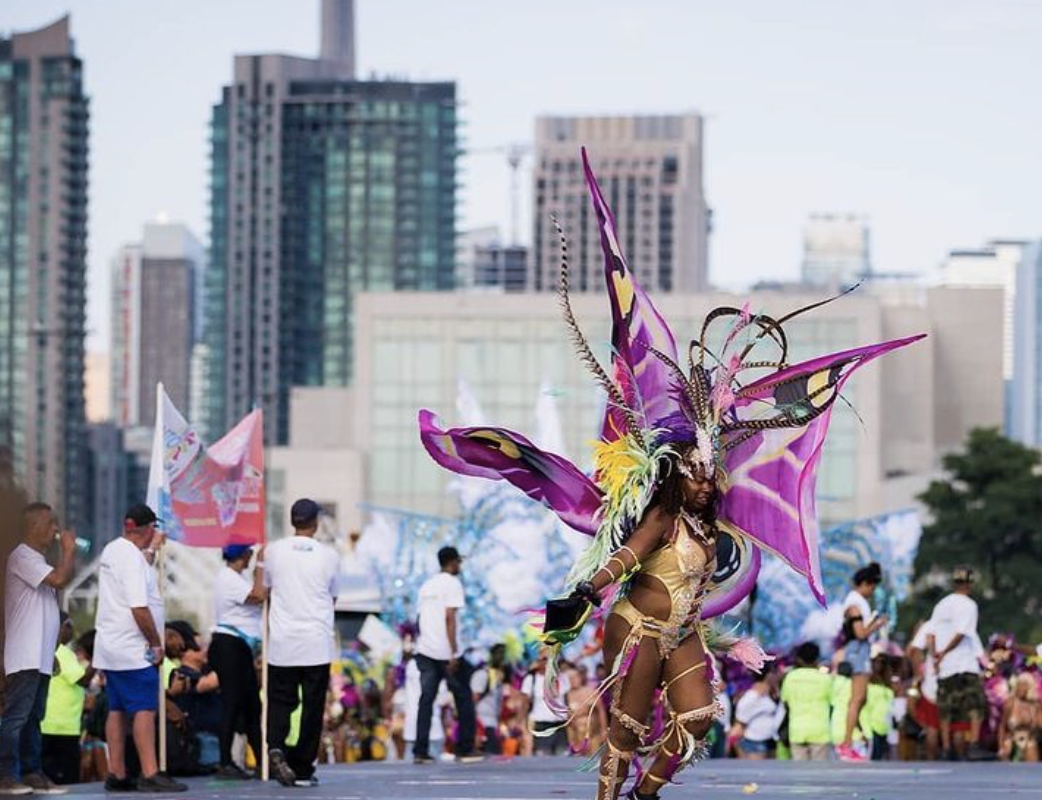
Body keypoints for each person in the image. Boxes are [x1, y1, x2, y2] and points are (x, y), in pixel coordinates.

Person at [417, 153, 921, 799]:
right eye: (698, 473)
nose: (709, 481)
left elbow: (707, 574)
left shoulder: (712, 524)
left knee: (698, 719)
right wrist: (583, 595)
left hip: (683, 629)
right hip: (635, 624)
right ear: (677, 474)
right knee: (625, 726)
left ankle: (643, 794)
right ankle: (610, 794)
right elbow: (628, 555)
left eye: (713, 474)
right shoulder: (662, 511)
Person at [93, 504, 186, 792]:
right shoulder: (132, 558)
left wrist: (151, 552)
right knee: (145, 709)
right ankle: (149, 772)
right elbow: (138, 607)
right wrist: (156, 643)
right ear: (147, 529)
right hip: (133, 648)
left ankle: (117, 773)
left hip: (110, 645)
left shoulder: (113, 550)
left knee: (117, 710)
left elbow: (136, 572)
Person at [1, 503, 76, 796]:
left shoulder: (40, 563)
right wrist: (68, 551)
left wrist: (53, 651)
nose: (56, 530)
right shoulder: (21, 557)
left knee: (34, 718)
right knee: (16, 717)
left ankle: (32, 773)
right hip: (24, 655)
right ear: (33, 526)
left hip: (40, 656)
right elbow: (60, 578)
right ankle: (6, 775)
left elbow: (46, 608)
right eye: (51, 523)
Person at [264, 498, 339, 787]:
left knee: (280, 701)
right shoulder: (329, 555)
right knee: (311, 706)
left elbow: (266, 589)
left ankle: (276, 747)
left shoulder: (273, 551)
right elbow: (332, 598)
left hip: (283, 641)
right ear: (315, 522)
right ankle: (303, 767)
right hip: (316, 643)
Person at [412, 546, 481, 764]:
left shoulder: (427, 585)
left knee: (426, 700)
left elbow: (419, 618)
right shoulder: (452, 583)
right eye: (458, 562)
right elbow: (450, 617)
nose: (460, 566)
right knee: (463, 698)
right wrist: (452, 652)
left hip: (425, 650)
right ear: (452, 563)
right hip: (445, 651)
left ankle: (420, 751)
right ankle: (465, 748)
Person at [208, 544, 265, 779]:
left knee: (252, 704)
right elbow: (257, 595)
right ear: (245, 554)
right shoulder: (228, 578)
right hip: (229, 644)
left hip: (241, 647)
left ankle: (262, 761)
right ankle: (225, 760)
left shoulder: (237, 577)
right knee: (232, 703)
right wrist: (262, 565)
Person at [929, 566, 990, 761]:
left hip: (945, 666)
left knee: (946, 709)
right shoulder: (969, 605)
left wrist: (936, 656)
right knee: (975, 706)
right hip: (964, 663)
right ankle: (973, 744)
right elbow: (963, 633)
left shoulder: (942, 604)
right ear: (970, 584)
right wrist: (945, 652)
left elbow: (930, 634)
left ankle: (946, 747)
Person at [836, 562, 887, 763]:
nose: (873, 591)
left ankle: (856, 736)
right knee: (856, 699)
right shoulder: (855, 604)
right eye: (872, 587)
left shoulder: (857, 602)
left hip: (860, 651)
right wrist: (877, 623)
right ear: (865, 583)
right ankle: (847, 743)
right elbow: (860, 633)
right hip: (858, 651)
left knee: (860, 698)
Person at [41, 614, 94, 785]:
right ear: (58, 626)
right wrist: (100, 658)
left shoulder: (45, 648)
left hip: (45, 725)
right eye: (69, 625)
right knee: (68, 781)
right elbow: (83, 679)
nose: (72, 630)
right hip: (62, 728)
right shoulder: (62, 652)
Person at [780, 642, 832, 760]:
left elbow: (785, 702)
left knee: (799, 775)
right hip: (820, 732)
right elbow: (832, 702)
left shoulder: (790, 677)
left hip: (797, 731)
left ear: (799, 658)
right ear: (817, 658)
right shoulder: (825, 679)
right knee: (818, 774)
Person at [520, 650, 569, 756]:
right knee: (543, 758)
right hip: (541, 725)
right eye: (544, 660)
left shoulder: (563, 678)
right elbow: (524, 705)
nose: (548, 663)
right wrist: (523, 727)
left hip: (560, 725)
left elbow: (567, 701)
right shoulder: (531, 679)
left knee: (563, 757)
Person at [908, 619, 941, 760]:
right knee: (930, 726)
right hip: (924, 691)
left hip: (929, 690)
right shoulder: (918, 652)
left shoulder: (927, 651)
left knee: (932, 727)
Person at [733, 665, 781, 760]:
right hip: (755, 742)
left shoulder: (768, 694)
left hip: (770, 740)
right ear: (768, 675)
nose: (777, 676)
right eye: (775, 673)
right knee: (755, 773)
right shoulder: (752, 696)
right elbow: (739, 722)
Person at [471, 644, 507, 755]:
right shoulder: (482, 674)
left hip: (493, 724)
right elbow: (473, 700)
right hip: (482, 726)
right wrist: (475, 730)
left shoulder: (499, 678)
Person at [997, 673, 1042, 762]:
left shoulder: (1036, 705)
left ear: (1030, 687)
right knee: (1007, 746)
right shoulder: (1010, 703)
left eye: (1024, 685)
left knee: (1031, 747)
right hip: (1011, 741)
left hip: (1029, 740)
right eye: (1019, 684)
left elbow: (1040, 725)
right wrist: (1000, 747)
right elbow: (1001, 727)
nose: (1021, 688)